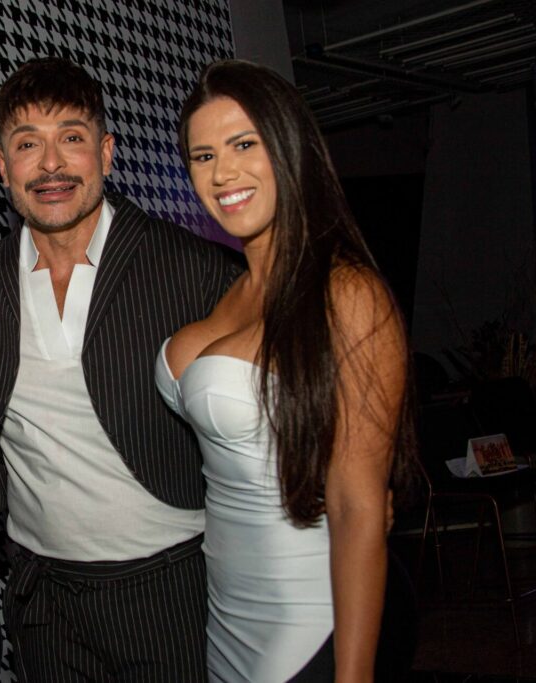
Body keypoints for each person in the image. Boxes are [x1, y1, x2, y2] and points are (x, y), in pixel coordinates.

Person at [0, 57, 239, 682]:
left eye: (71, 138)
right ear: (2, 167)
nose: (51, 165)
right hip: (43, 599)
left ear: (105, 152)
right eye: (27, 144)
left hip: (174, 588)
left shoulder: (197, 272)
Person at [157, 59, 416, 682]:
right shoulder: (233, 291)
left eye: (244, 144)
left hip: (306, 624)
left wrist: (353, 676)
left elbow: (358, 508)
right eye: (202, 156)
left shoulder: (347, 294)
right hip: (227, 619)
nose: (223, 173)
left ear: (289, 146)